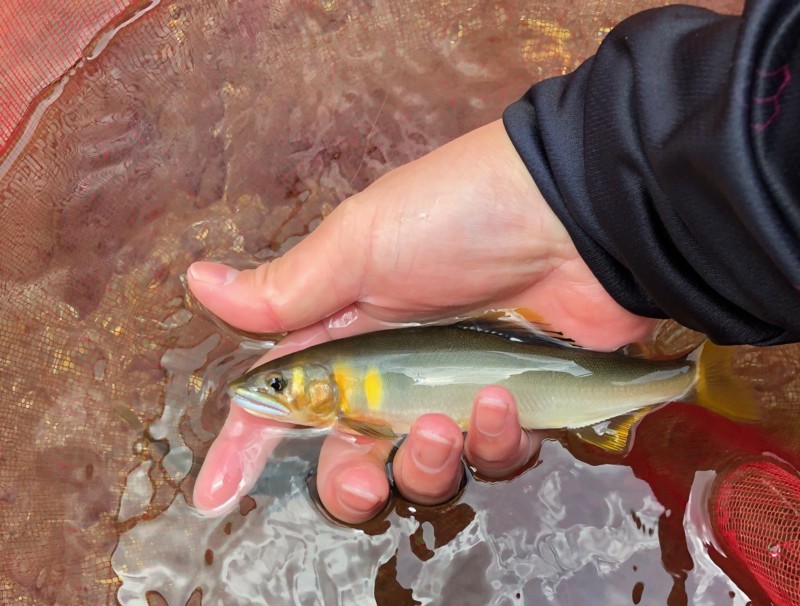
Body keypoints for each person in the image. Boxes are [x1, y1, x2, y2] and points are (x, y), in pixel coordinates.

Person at [187, 0, 799, 524]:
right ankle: (681, 374)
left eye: (277, 384)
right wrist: (582, 203)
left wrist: (579, 201)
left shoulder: (361, 408)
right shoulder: (350, 395)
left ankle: (688, 376)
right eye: (275, 383)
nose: (266, 389)